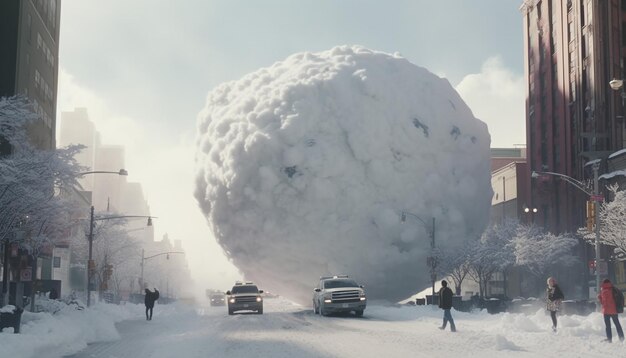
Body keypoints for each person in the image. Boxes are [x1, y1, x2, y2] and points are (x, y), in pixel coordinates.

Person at [598, 279, 624, 343]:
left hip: (606, 311)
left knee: (608, 326)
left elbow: (602, 302)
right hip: (614, 311)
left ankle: (609, 339)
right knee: (617, 324)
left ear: (603, 283)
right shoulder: (613, 289)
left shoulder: (602, 290)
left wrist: (599, 297)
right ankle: (621, 338)